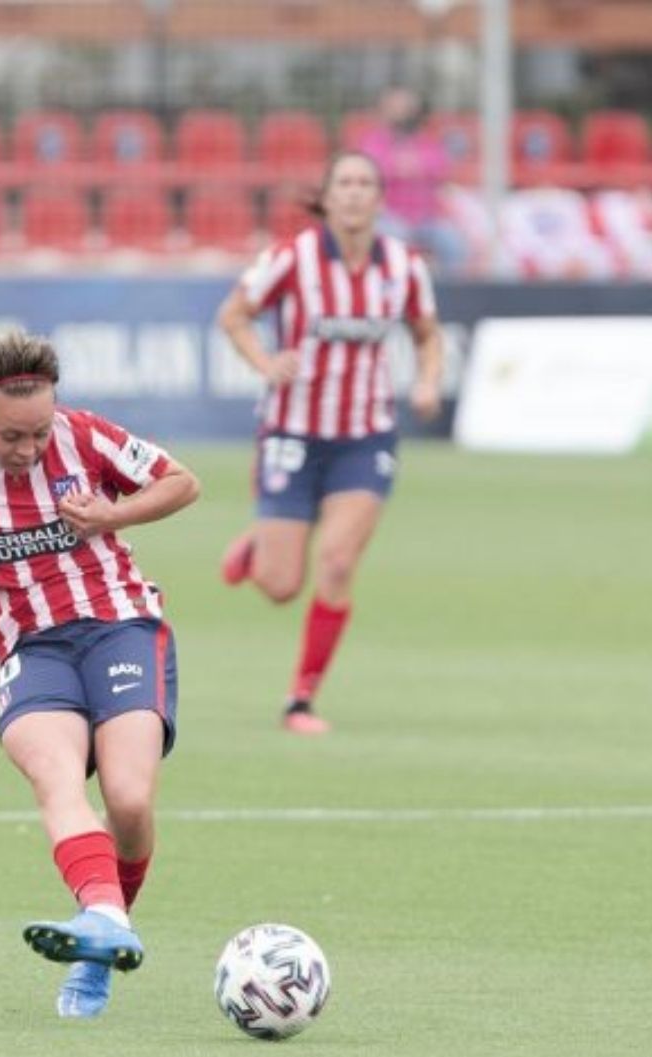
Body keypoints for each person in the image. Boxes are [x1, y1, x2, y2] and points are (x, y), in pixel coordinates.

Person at [0, 331, 200, 1020]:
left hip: (121, 626)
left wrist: (113, 515)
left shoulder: (85, 436)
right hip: (29, 647)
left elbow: (182, 481)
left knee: (130, 802)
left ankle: (101, 937)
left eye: (39, 434)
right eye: (12, 437)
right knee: (55, 777)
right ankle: (107, 922)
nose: (28, 451)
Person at [215, 151, 444, 735]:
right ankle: (255, 552)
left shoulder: (403, 266)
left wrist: (426, 381)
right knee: (281, 586)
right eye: (344, 182)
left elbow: (426, 332)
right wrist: (266, 363)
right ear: (328, 194)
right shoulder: (290, 259)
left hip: (364, 436)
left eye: (366, 183)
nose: (355, 193)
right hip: (292, 432)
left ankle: (300, 699)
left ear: (379, 197)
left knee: (339, 562)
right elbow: (234, 315)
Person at [355, 87, 470, 274]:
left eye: (406, 107)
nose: (401, 112)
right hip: (388, 216)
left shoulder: (426, 140)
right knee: (394, 237)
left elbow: (440, 167)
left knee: (453, 242)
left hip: (427, 218)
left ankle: (450, 298)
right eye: (395, 107)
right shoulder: (373, 140)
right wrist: (406, 166)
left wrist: (407, 166)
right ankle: (394, 292)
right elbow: (373, 168)